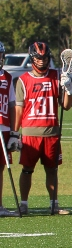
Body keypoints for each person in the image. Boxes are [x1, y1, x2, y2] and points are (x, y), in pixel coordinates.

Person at [11, 42, 72, 215]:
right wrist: (15, 134)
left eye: (45, 58)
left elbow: (66, 106)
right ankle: (23, 204)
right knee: (27, 170)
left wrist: (69, 89)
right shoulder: (23, 80)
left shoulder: (56, 76)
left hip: (51, 133)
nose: (42, 61)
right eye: (39, 58)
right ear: (32, 58)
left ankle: (54, 204)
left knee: (52, 170)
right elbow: (19, 109)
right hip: (30, 133)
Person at [0, 43, 16, 216]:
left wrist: (13, 132)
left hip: (3, 127)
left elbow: (12, 105)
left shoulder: (7, 77)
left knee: (1, 167)